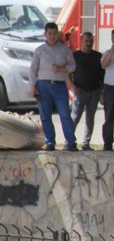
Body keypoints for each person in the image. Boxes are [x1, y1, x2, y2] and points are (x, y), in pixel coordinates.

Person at [29, 22, 78, 151]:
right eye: (49, 33)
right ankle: (50, 142)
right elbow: (33, 69)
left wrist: (61, 69)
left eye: (54, 33)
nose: (52, 36)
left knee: (65, 114)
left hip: (59, 85)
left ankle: (71, 142)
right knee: (45, 115)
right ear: (45, 34)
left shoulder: (64, 49)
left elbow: (73, 66)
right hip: (43, 84)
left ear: (58, 34)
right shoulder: (39, 50)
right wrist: (32, 86)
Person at [67, 32, 104, 151]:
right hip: (80, 92)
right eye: (86, 41)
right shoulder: (75, 55)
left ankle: (86, 143)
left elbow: (102, 75)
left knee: (90, 118)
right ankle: (70, 142)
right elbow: (67, 74)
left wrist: (101, 91)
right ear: (81, 41)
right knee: (75, 117)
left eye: (90, 41)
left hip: (94, 92)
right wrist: (73, 87)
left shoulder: (98, 56)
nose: (88, 43)